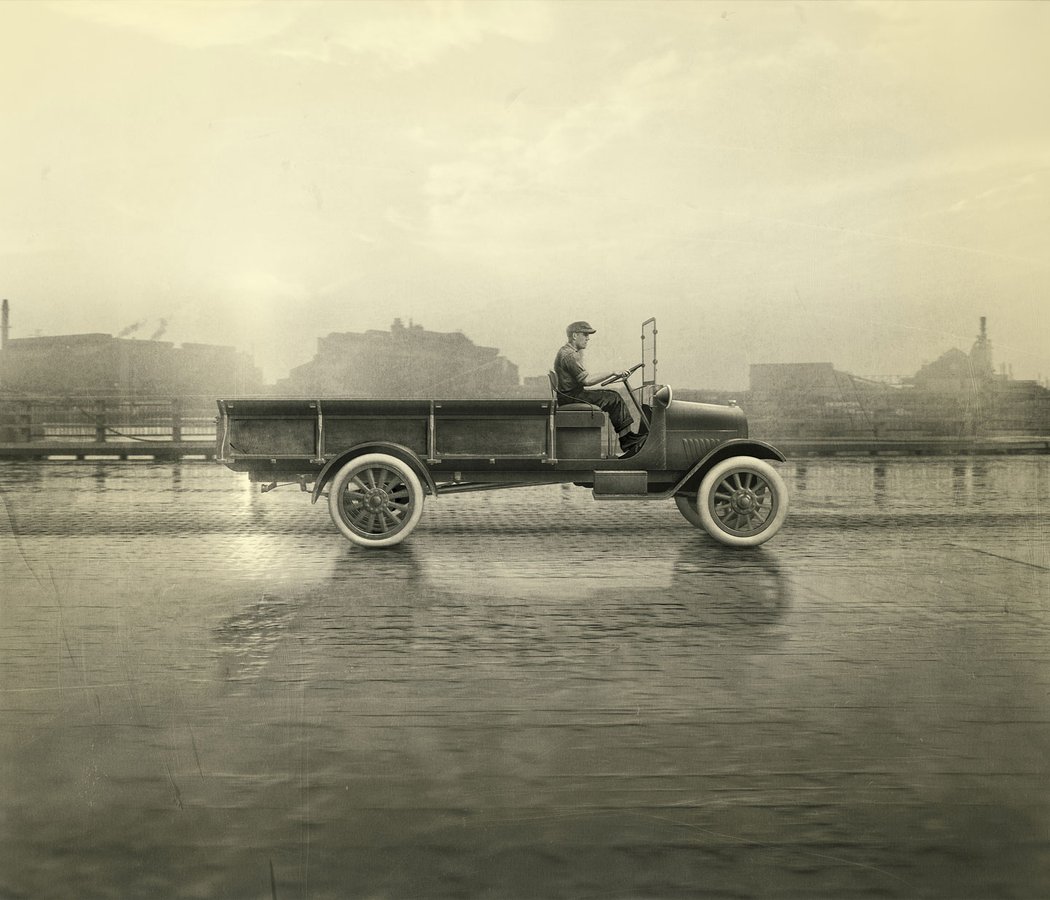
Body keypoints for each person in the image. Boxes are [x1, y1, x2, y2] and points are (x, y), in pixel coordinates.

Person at [553, 321, 642, 455]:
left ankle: (628, 439)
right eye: (585, 334)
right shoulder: (569, 355)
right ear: (575, 335)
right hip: (572, 397)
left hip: (571, 395)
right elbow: (587, 380)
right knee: (614, 398)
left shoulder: (567, 352)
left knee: (612, 396)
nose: (588, 338)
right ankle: (628, 441)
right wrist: (612, 372)